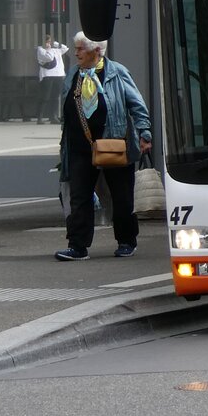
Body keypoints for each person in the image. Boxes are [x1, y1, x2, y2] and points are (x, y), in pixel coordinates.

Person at [55, 32, 152, 262]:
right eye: (76, 48)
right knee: (79, 197)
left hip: (113, 143)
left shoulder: (117, 72)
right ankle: (77, 246)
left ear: (96, 51)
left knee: (121, 196)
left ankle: (127, 241)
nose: (76, 52)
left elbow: (136, 104)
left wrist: (144, 132)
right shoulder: (72, 75)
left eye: (80, 49)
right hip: (79, 147)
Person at [36, 35, 67, 124]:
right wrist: (49, 49)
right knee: (45, 96)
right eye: (47, 42)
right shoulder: (40, 50)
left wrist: (56, 44)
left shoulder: (55, 49)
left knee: (55, 97)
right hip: (47, 75)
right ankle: (40, 117)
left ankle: (53, 116)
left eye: (50, 42)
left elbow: (65, 48)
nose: (48, 43)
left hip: (58, 74)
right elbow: (49, 58)